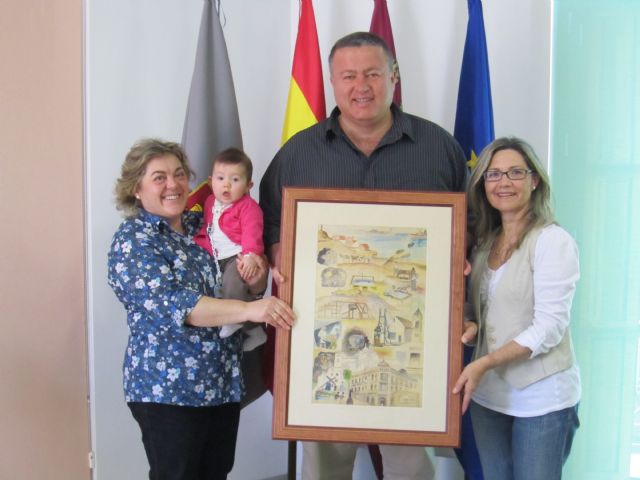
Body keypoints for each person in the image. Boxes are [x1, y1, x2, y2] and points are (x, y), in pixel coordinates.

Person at [260, 32, 468, 480]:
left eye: (372, 74)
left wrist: (459, 256)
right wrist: (279, 248)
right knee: (323, 466)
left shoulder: (439, 148)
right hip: (319, 343)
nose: (361, 86)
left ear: (394, 76)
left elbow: (468, 227)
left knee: (411, 467)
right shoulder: (298, 153)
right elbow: (271, 223)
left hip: (416, 348)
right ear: (332, 82)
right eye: (348, 76)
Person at [107, 139, 294, 480]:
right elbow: (181, 307)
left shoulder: (205, 226)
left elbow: (249, 286)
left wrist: (257, 273)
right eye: (159, 177)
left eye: (179, 174)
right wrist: (250, 310)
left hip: (221, 383)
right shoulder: (134, 240)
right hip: (169, 390)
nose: (173, 184)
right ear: (136, 188)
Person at [453, 137, 581, 480]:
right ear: (483, 184)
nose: (503, 182)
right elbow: (480, 307)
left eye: (515, 172)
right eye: (493, 174)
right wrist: (470, 324)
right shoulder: (485, 242)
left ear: (534, 180)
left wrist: (485, 362)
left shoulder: (552, 241)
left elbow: (549, 327)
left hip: (542, 399)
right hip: (489, 396)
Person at [194, 147, 267, 351]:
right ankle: (255, 330)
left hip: (238, 256)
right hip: (216, 257)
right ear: (211, 182)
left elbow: (252, 232)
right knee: (229, 291)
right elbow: (210, 229)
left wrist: (250, 255)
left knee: (233, 283)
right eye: (220, 178)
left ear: (248, 185)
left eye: (235, 180)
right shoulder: (210, 202)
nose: (226, 184)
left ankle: (233, 320)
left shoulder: (248, 207)